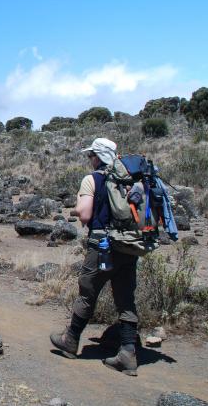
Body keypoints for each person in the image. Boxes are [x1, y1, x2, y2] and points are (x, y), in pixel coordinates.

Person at [49, 137, 140, 376]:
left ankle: (70, 341)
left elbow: (86, 215)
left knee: (87, 292)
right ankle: (128, 354)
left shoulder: (93, 179)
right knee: (126, 298)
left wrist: (77, 208)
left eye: (90, 155)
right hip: (129, 246)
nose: (89, 159)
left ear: (97, 156)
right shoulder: (130, 179)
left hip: (102, 245)